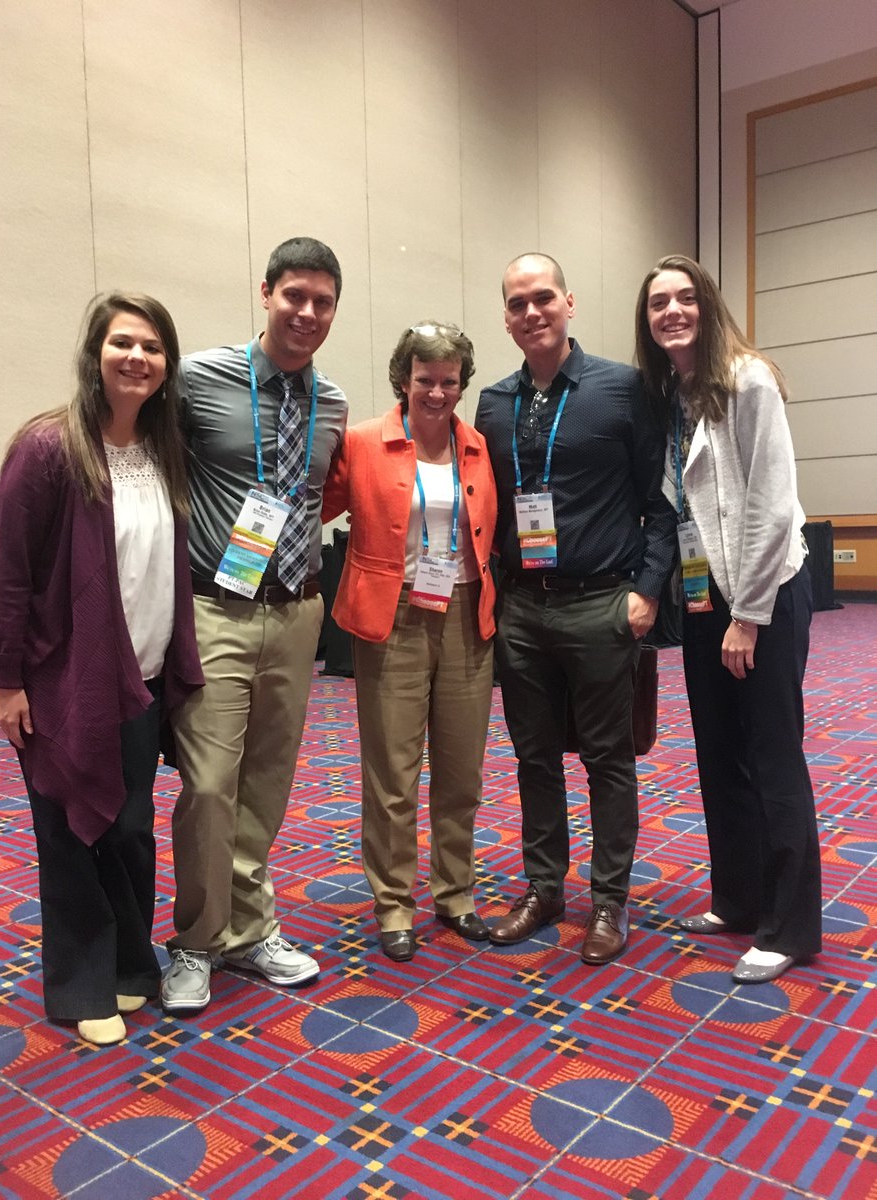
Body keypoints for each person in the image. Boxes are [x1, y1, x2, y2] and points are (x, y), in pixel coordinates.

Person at [0, 292, 203, 1045]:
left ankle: (129, 965)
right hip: (62, 681)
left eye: (151, 346)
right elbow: (11, 577)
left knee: (130, 827)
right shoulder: (46, 449)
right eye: (122, 343)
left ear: (166, 365)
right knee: (71, 830)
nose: (137, 358)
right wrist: (6, 682)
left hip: (139, 679)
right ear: (96, 354)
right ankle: (81, 986)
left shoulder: (162, 448)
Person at [162, 237, 348, 1013]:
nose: (306, 313)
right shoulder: (197, 378)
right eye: (293, 295)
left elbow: (320, 497)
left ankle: (248, 927)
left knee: (267, 782)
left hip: (297, 610)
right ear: (264, 291)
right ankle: (196, 941)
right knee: (209, 783)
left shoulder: (332, 403)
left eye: (323, 302)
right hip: (216, 608)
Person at [475, 253, 676, 964]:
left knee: (607, 759)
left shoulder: (622, 389)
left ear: (569, 302)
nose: (532, 312)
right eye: (518, 302)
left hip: (602, 603)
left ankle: (611, 900)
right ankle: (544, 888)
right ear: (506, 316)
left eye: (543, 299)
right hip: (523, 611)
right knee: (533, 758)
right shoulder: (494, 403)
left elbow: (661, 502)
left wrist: (646, 591)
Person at [635, 254, 821, 983]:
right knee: (718, 749)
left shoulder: (749, 379)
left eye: (685, 298)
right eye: (658, 304)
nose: (672, 311)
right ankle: (739, 896)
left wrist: (749, 614)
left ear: (708, 307)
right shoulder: (672, 393)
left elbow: (773, 505)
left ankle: (791, 925)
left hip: (763, 590)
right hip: (703, 592)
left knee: (772, 751)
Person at [322, 323, 497, 962]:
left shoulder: (477, 446)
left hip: (464, 614)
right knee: (393, 773)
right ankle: (394, 903)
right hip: (390, 617)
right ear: (404, 378)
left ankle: (456, 893)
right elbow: (316, 504)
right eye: (425, 379)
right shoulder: (365, 441)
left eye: (449, 381)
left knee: (461, 770)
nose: (437, 392)